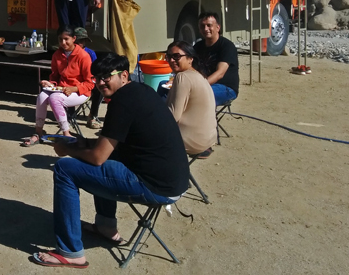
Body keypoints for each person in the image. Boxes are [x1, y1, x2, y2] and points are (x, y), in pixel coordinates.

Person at [32, 53, 189, 268]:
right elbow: (107, 147)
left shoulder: (121, 102)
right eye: (97, 77)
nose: (100, 82)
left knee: (64, 169)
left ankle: (71, 252)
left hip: (156, 186)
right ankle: (106, 226)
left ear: (124, 75)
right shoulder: (141, 91)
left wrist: (67, 150)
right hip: (173, 181)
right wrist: (81, 143)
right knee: (103, 158)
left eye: (107, 76)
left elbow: (98, 158)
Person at [23, 26, 94, 146]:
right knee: (41, 96)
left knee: (54, 98)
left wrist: (74, 88)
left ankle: (66, 133)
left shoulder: (83, 56)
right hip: (61, 90)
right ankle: (38, 132)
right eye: (60, 39)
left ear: (74, 39)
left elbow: (90, 83)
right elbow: (55, 77)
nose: (63, 42)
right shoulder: (57, 54)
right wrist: (50, 84)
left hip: (80, 92)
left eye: (66, 39)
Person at [165, 40, 217, 158]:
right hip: (207, 140)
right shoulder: (199, 75)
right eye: (168, 57)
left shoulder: (183, 77)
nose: (172, 60)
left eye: (176, 56)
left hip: (191, 142)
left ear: (190, 58)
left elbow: (173, 116)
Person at [194, 12, 239, 106]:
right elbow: (189, 67)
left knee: (196, 95)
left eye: (209, 25)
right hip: (203, 85)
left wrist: (200, 85)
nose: (205, 29)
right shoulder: (197, 47)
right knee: (164, 86)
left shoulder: (227, 46)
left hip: (226, 88)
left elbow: (220, 74)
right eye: (202, 26)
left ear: (218, 27)